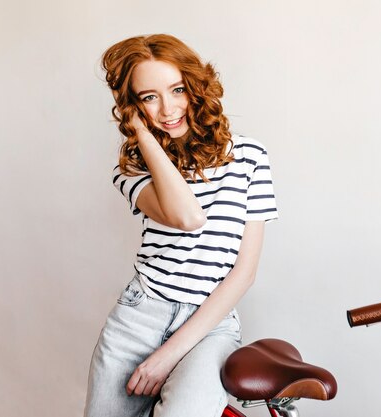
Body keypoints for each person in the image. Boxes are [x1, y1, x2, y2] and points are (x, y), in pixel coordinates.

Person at [84, 34, 278, 417]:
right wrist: (141, 133)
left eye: (177, 90)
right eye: (149, 97)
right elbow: (187, 216)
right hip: (140, 317)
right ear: (133, 106)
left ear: (195, 87)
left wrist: (169, 353)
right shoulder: (134, 170)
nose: (168, 108)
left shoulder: (249, 157)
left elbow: (244, 273)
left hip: (212, 325)